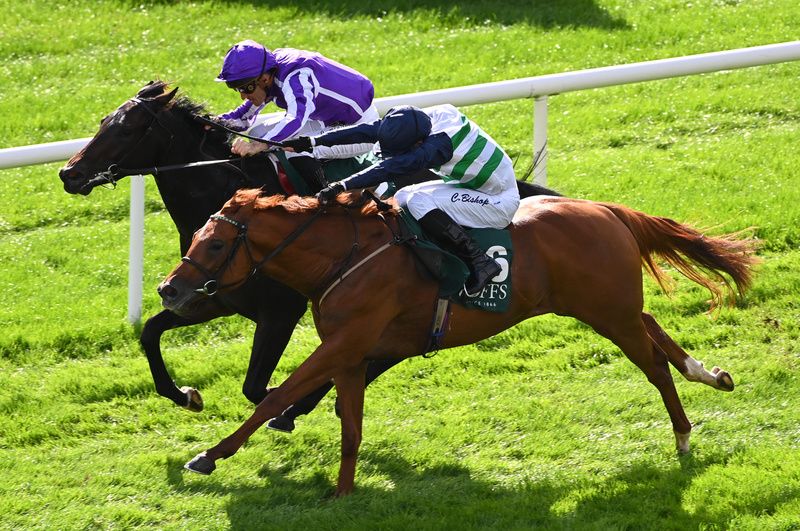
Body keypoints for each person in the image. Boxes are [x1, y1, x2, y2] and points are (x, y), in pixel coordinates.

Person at [283, 104, 521, 295]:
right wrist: (311, 142)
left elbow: (388, 168)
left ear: (417, 143)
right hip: (469, 186)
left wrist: (340, 186)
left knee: (418, 201)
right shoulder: (420, 122)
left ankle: (480, 261)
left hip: (498, 201)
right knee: (405, 196)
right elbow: (366, 130)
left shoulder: (438, 146)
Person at [214, 39, 379, 185]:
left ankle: (325, 206)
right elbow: (243, 118)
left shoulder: (296, 77)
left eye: (245, 88)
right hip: (328, 120)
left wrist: (258, 145)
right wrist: (214, 123)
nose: (243, 96)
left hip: (361, 128)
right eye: (238, 90)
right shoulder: (270, 72)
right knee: (258, 132)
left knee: (297, 149)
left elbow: (295, 119)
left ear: (264, 79)